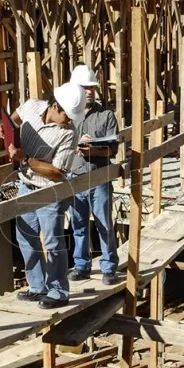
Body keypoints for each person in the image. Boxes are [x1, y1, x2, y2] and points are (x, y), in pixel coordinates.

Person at [0, 82, 86, 309]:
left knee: (53, 242)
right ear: (55, 106)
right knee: (25, 237)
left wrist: (25, 159)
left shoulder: (69, 133)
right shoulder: (31, 107)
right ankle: (38, 287)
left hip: (50, 191)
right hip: (26, 186)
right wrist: (3, 128)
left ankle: (58, 291)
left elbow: (57, 172)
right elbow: (13, 119)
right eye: (67, 115)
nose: (70, 119)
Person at [67, 65, 120, 285]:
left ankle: (108, 267)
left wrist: (93, 150)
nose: (89, 91)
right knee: (78, 225)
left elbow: (112, 150)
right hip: (74, 177)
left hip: (98, 177)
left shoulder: (106, 116)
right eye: (84, 87)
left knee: (104, 223)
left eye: (92, 87)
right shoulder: (68, 115)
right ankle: (81, 265)